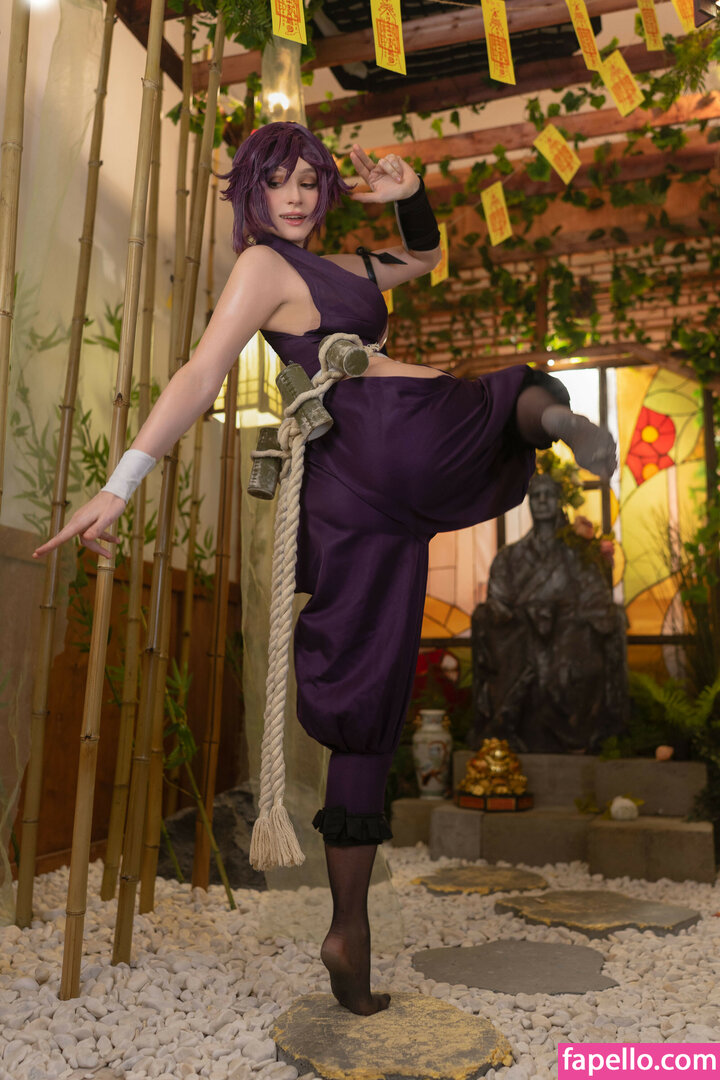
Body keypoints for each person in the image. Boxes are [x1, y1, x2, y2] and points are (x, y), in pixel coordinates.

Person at [34, 122, 617, 1016]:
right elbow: (200, 373)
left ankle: (349, 928)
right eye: (280, 182)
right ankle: (556, 422)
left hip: (355, 484)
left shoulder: (337, 266)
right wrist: (119, 485)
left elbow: (420, 257)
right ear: (251, 192)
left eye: (311, 181)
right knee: (515, 391)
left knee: (360, 696)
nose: (299, 196)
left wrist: (408, 197)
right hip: (409, 428)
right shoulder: (263, 266)